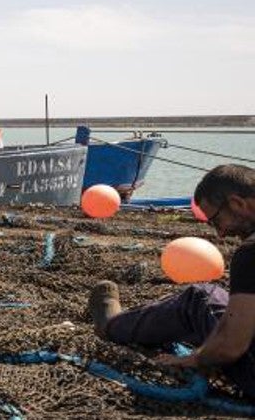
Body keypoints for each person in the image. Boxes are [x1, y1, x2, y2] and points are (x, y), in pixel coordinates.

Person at [90, 164, 255, 397]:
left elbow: (231, 346)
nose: (220, 234)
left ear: (238, 203)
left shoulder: (250, 253)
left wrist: (194, 359)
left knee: (199, 298)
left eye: (216, 221)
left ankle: (111, 325)